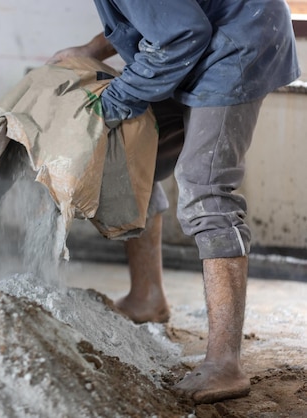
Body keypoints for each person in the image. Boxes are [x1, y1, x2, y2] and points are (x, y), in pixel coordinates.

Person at [49, 0, 300, 404]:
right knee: (135, 155)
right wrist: (93, 50)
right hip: (199, 35)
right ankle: (146, 296)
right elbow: (154, 16)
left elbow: (182, 34)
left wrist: (114, 102)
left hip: (237, 40)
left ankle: (224, 364)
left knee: (206, 187)